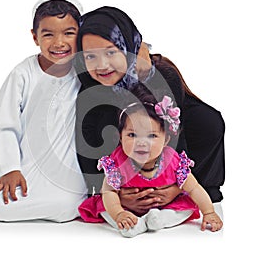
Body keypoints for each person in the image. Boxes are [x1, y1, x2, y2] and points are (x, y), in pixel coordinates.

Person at [75, 6, 225, 218]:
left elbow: (173, 137)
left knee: (207, 122)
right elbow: (86, 147)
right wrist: (113, 195)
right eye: (90, 57)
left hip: (167, 150)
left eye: (111, 52)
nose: (102, 65)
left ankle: (196, 190)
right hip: (122, 167)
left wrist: (176, 187)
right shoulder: (89, 92)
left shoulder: (158, 74)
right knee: (107, 117)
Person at [0, 0, 89, 222]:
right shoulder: (23, 74)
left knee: (69, 204)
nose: (59, 43)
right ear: (35, 37)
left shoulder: (84, 71)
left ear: (80, 34)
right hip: (29, 161)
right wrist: (10, 168)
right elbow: (5, 128)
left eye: (68, 33)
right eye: (48, 34)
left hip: (66, 164)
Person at [78, 84, 223, 237]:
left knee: (185, 208)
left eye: (152, 136)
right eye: (132, 135)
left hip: (165, 205)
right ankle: (127, 223)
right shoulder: (118, 162)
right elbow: (108, 192)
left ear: (166, 140)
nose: (141, 143)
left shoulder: (172, 160)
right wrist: (119, 212)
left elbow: (194, 188)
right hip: (125, 207)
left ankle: (160, 219)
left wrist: (209, 212)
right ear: (120, 137)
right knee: (105, 208)